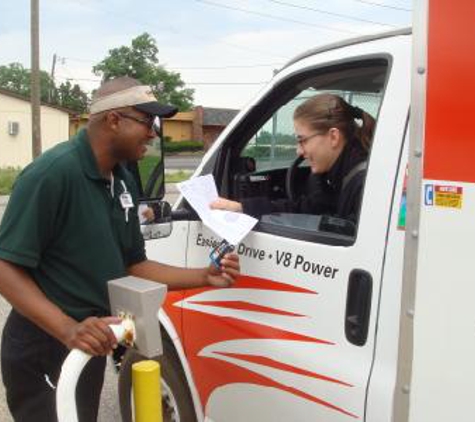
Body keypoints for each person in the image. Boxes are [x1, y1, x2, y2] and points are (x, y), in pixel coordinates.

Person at [0, 76, 240, 422]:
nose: (154, 133)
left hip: (91, 337)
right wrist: (68, 329)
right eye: (147, 122)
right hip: (46, 344)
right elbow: (6, 268)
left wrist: (205, 275)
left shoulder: (122, 179)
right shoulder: (53, 174)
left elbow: (133, 265)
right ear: (114, 119)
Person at [211, 93, 376, 224]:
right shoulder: (338, 177)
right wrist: (242, 208)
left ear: (333, 137)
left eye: (303, 140)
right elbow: (310, 209)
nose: (298, 151)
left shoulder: (363, 185)